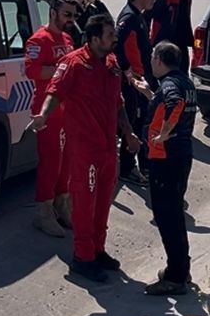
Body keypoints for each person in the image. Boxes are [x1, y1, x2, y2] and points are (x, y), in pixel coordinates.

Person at [30, 14, 142, 283]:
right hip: (83, 148)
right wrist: (44, 116)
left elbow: (117, 103)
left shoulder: (112, 64)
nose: (114, 39)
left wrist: (128, 132)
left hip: (107, 147)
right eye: (109, 36)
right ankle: (82, 257)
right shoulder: (73, 63)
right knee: (84, 203)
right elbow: (54, 93)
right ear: (94, 39)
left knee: (104, 201)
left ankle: (97, 250)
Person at [133, 42, 197, 296]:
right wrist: (150, 94)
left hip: (167, 159)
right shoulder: (183, 81)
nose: (150, 61)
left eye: (152, 57)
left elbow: (175, 103)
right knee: (174, 215)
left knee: (167, 217)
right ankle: (180, 268)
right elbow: (170, 101)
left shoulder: (172, 87)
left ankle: (175, 277)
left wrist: (164, 134)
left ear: (159, 58)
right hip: (181, 157)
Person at [24, 0, 77, 237]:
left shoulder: (67, 38)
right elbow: (33, 71)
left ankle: (61, 204)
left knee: (67, 159)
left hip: (67, 108)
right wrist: (62, 70)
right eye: (67, 14)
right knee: (51, 160)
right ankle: (43, 211)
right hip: (46, 109)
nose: (70, 19)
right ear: (53, 13)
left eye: (73, 15)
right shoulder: (39, 40)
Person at [115, 0, 159, 185]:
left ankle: (143, 166)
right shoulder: (129, 17)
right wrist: (128, 72)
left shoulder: (138, 16)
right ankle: (127, 167)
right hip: (133, 83)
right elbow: (117, 45)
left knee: (141, 123)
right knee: (133, 122)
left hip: (141, 80)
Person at [148, 0, 195, 71]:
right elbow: (148, 14)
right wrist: (149, 39)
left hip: (181, 41)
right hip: (166, 41)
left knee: (183, 70)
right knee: (167, 72)